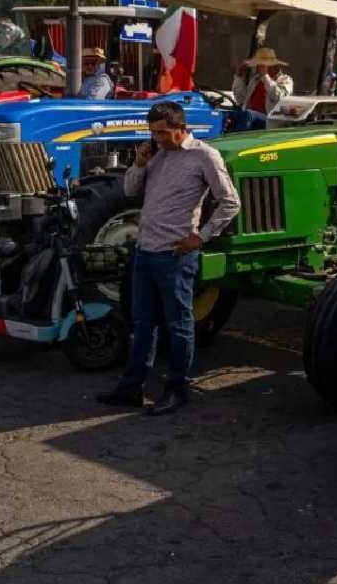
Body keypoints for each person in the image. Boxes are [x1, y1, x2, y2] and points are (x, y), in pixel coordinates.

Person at [97, 101, 241, 415]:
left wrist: (199, 238)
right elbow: (131, 189)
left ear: (180, 128)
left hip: (175, 254)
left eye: (163, 133)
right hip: (145, 250)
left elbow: (230, 203)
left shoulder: (204, 156)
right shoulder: (157, 153)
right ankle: (131, 388)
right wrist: (139, 162)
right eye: (153, 133)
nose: (157, 138)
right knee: (143, 323)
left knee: (178, 324)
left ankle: (177, 389)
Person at [232, 47, 293, 115]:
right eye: (259, 65)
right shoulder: (255, 80)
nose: (258, 67)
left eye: (262, 65)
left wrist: (265, 76)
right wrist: (239, 77)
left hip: (269, 121)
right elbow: (241, 99)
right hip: (250, 119)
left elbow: (278, 97)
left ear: (274, 66)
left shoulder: (285, 80)